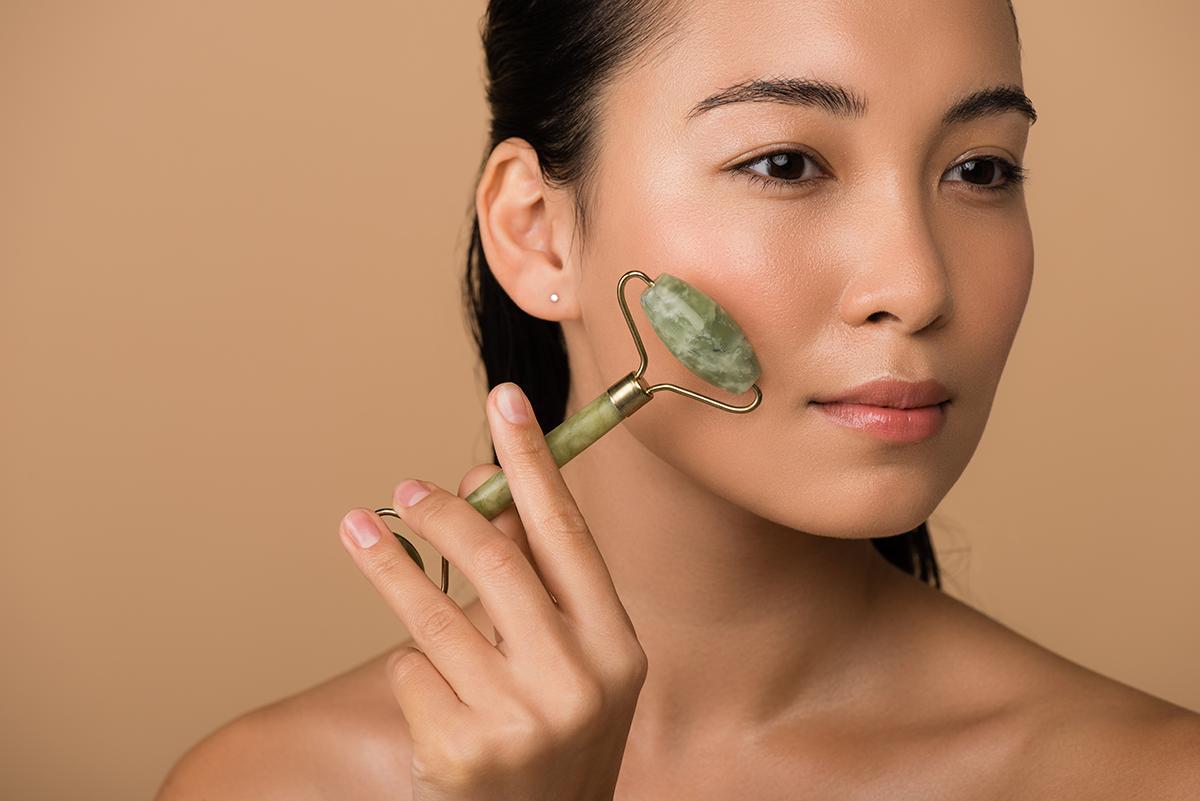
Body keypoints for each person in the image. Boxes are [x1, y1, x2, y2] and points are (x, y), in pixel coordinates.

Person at [155, 1, 1200, 798]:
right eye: (786, 161)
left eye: (979, 169)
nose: (918, 286)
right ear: (537, 231)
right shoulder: (272, 781)